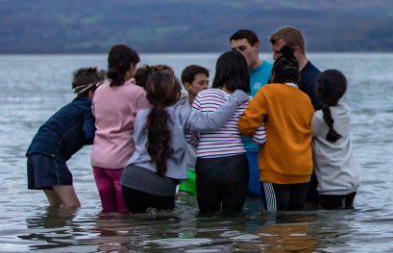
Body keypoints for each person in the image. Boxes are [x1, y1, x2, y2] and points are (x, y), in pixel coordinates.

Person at [121, 69, 250, 212]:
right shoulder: (181, 113)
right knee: (164, 231)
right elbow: (212, 121)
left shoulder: (141, 115)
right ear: (176, 93)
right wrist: (236, 97)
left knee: (137, 226)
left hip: (130, 179)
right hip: (161, 182)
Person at [187, 51, 265, 214]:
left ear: (220, 71)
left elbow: (189, 132)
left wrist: (203, 143)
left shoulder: (202, 96)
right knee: (234, 218)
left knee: (206, 217)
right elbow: (259, 137)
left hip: (206, 164)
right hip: (236, 164)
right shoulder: (249, 101)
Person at [239, 46, 314, 211]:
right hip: (303, 169)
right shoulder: (305, 98)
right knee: (295, 220)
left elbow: (247, 124)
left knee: (274, 220)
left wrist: (258, 135)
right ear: (298, 77)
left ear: (273, 76)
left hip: (276, 170)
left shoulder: (267, 92)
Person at [26, 67, 104, 207]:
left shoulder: (73, 107)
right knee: (72, 206)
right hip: (50, 153)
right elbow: (90, 135)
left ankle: (49, 229)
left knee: (56, 205)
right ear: (92, 94)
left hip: (35, 152)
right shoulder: (87, 108)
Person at [91, 44, 149, 213]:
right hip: (122, 161)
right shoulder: (137, 93)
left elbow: (96, 116)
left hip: (98, 160)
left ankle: (104, 239)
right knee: (125, 214)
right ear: (130, 66)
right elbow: (147, 122)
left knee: (108, 212)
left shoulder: (99, 91)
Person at [230, 29, 272, 199]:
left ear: (256, 46)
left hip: (261, 152)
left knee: (259, 206)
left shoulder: (272, 72)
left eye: (242, 48)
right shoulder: (230, 77)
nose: (238, 54)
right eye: (234, 51)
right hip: (234, 152)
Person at [312, 70, 360, 209]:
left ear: (319, 90)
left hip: (332, 185)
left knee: (330, 228)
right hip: (352, 182)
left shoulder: (317, 118)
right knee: (344, 225)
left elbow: (300, 136)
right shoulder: (346, 111)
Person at [176, 65, 210, 195]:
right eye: (201, 83)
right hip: (187, 170)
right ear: (187, 85)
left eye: (207, 82)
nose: (206, 86)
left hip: (207, 169)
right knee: (184, 207)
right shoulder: (180, 103)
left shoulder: (213, 108)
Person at [270, 26, 322, 110]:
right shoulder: (275, 76)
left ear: (295, 50)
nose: (274, 57)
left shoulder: (315, 81)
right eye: (274, 52)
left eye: (278, 52)